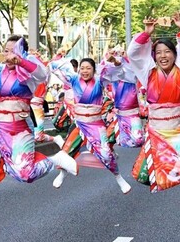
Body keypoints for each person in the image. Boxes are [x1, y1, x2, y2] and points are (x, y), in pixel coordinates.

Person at [0, 36, 77, 184]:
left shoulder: (27, 74)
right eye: (6, 51)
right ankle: (7, 165)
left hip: (19, 129)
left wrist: (21, 62)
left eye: (14, 52)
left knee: (25, 175)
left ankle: (55, 159)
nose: (9, 55)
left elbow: (42, 74)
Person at [126, 12, 180, 192]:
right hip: (157, 132)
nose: (163, 56)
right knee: (141, 175)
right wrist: (147, 32)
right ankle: (165, 178)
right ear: (154, 56)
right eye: (159, 52)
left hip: (178, 131)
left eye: (167, 51)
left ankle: (170, 175)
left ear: (175, 54)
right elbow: (133, 53)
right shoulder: (148, 72)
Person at [48, 54, 131, 193]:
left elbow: (115, 73)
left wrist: (113, 62)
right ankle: (62, 173)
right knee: (68, 150)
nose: (85, 71)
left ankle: (119, 178)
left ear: (94, 70)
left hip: (96, 124)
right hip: (79, 122)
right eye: (82, 68)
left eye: (88, 68)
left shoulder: (100, 81)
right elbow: (56, 67)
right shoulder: (73, 79)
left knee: (105, 154)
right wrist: (55, 59)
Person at [101, 49, 146, 149]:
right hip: (119, 114)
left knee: (138, 140)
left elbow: (135, 68)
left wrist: (126, 56)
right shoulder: (114, 78)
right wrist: (108, 56)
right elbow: (102, 71)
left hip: (132, 113)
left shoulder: (130, 73)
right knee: (123, 142)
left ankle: (147, 134)